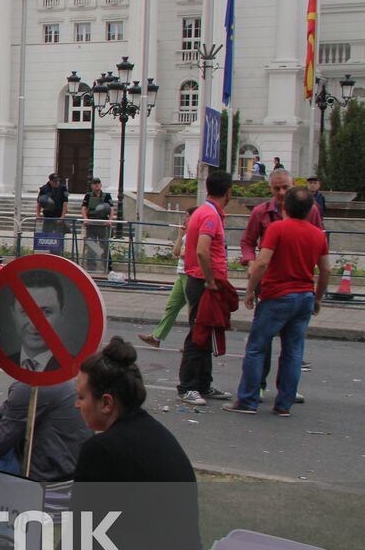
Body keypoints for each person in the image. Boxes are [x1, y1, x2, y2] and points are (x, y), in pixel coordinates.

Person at [1, 338, 201, 550]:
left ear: (106, 403)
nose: (76, 405)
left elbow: (80, 542)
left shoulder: (102, 449)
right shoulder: (157, 435)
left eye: (81, 397)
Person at [224, 187, 330, 417]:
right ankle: (284, 404)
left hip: (277, 295)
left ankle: (248, 400)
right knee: (293, 352)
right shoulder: (317, 234)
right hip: (304, 296)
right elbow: (325, 269)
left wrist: (250, 291)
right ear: (310, 209)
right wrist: (318, 298)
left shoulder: (277, 229)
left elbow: (261, 263)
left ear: (285, 207)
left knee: (256, 348)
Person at [239, 168, 323, 399]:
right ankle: (265, 388)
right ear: (270, 189)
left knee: (275, 345)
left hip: (286, 285)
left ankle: (272, 394)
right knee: (270, 344)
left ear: (292, 184)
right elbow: (248, 243)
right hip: (272, 284)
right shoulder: (261, 213)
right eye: (276, 189)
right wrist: (250, 262)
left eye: (285, 187)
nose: (281, 192)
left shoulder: (309, 212)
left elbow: (318, 249)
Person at [176, 169, 235, 406]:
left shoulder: (203, 211)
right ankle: (188, 386)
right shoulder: (210, 216)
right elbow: (202, 250)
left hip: (200, 280)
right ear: (228, 191)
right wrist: (210, 280)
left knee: (206, 334)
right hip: (203, 282)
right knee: (198, 335)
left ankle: (203, 383)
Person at [0, 379, 92, 482]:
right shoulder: (62, 380)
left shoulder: (31, 388)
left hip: (46, 475)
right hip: (72, 466)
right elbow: (3, 411)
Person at [139, 206, 194, 349]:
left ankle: (193, 342)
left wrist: (183, 250)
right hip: (181, 274)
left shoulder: (196, 234)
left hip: (190, 274)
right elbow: (176, 252)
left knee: (192, 310)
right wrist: (179, 235)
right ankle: (157, 336)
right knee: (172, 305)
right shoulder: (186, 235)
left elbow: (185, 254)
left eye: (187, 216)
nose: (184, 219)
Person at [4, 269, 66, 372]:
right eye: (26, 311)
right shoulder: (9, 361)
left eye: (46, 311)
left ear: (61, 314)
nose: (34, 325)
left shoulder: (67, 365)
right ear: (13, 314)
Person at [80, 178, 114, 271]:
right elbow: (83, 208)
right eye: (95, 184)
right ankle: (91, 267)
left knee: (105, 246)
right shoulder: (88, 196)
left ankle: (108, 267)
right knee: (92, 246)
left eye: (98, 183)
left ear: (101, 185)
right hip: (91, 225)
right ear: (92, 186)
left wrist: (110, 220)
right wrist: (85, 218)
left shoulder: (107, 196)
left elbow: (111, 209)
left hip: (103, 225)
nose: (97, 185)